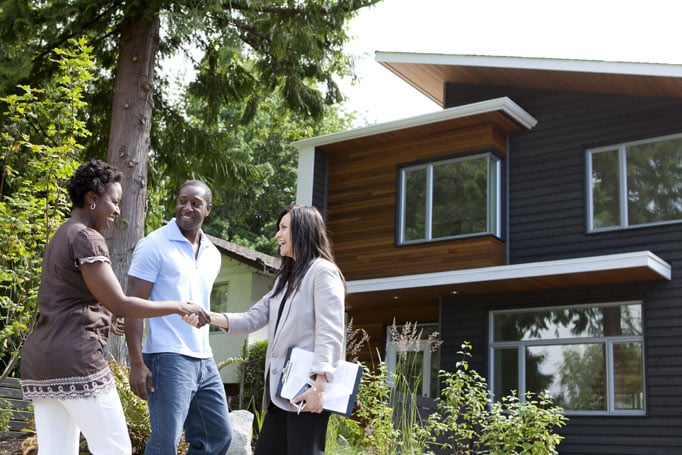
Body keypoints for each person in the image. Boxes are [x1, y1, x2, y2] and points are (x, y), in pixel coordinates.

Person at [20, 159, 210, 455]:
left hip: (42, 362)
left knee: (56, 451)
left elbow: (70, 297)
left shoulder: (62, 234)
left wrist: (105, 316)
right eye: (114, 201)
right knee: (116, 448)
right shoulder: (86, 237)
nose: (118, 210)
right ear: (92, 199)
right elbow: (120, 302)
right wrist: (176, 306)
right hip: (76, 360)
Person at [184, 204, 346, 454]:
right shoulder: (285, 279)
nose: (277, 235)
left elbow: (331, 331)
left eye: (283, 228)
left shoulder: (323, 272)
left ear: (302, 231)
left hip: (307, 391)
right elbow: (252, 318)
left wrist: (319, 387)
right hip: (282, 392)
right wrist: (209, 317)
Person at [124, 180, 233, 454]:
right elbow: (132, 306)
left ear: (207, 209)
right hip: (166, 357)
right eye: (182, 201)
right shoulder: (154, 245)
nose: (186, 207)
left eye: (195, 203)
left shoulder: (214, 254)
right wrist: (136, 362)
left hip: (203, 358)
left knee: (218, 435)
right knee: (165, 444)